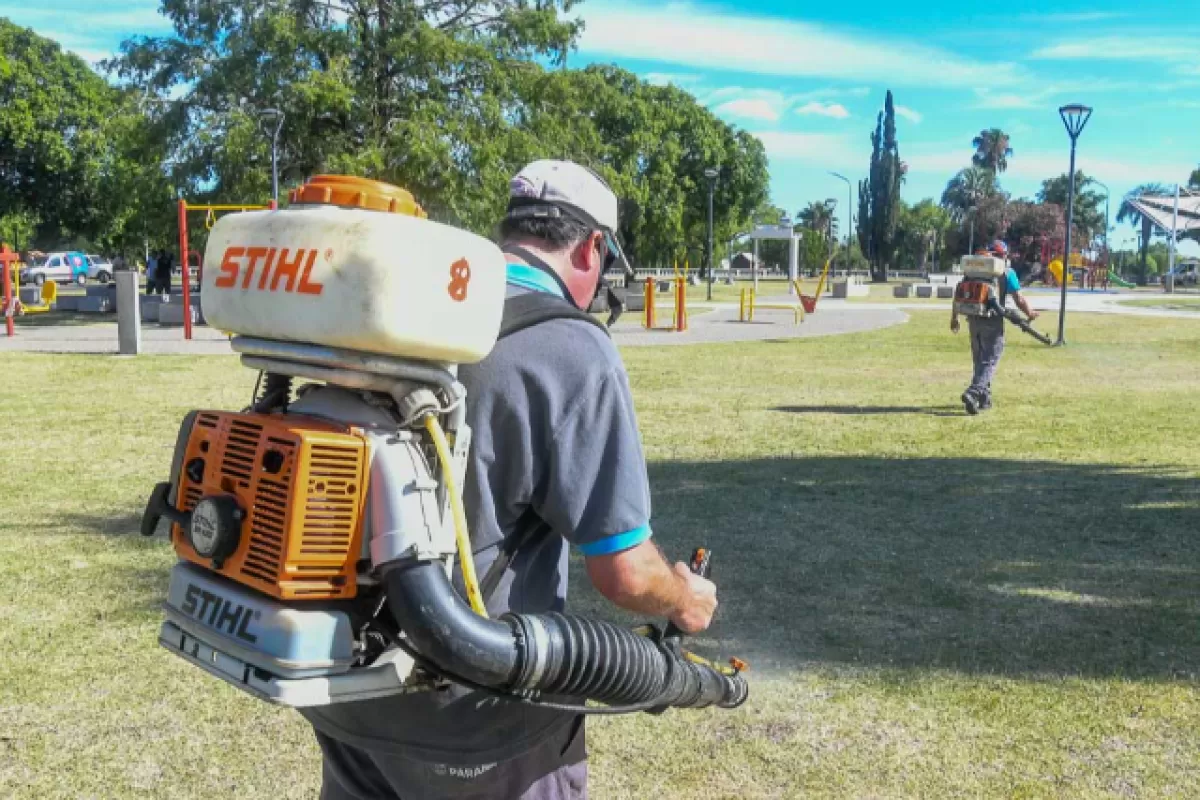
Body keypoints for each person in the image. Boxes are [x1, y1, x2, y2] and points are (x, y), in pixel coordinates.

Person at [306, 160, 719, 800]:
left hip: (344, 688)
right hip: (481, 716)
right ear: (593, 248)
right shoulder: (572, 348)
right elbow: (625, 574)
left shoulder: (403, 310)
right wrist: (684, 598)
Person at [950, 240, 1040, 414]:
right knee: (991, 358)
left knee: (979, 359)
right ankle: (973, 392)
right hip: (992, 320)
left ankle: (984, 399)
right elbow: (1019, 299)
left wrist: (954, 317)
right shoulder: (1006, 272)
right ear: (1004, 255)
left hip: (973, 318)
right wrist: (1030, 313)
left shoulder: (974, 271)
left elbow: (959, 292)